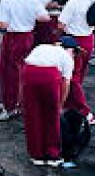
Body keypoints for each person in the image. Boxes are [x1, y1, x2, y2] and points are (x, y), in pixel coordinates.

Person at [0, 0, 49, 122]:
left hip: (12, 37)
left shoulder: (6, 2)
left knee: (9, 72)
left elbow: (3, 25)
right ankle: (15, 102)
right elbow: (44, 18)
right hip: (27, 37)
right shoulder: (33, 0)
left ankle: (10, 107)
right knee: (20, 71)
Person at [21, 37, 79, 166]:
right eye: (74, 51)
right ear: (69, 49)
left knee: (32, 116)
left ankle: (36, 155)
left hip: (28, 72)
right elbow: (66, 85)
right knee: (52, 118)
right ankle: (53, 155)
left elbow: (27, 66)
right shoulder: (67, 58)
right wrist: (60, 104)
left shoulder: (41, 47)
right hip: (49, 74)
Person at [59, 0, 95, 122]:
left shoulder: (74, 2)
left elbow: (61, 24)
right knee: (79, 76)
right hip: (89, 39)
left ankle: (85, 112)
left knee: (71, 78)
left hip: (74, 42)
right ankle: (71, 105)